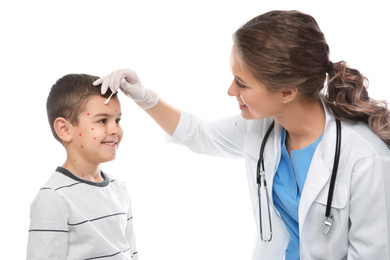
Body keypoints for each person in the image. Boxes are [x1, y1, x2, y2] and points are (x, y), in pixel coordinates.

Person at [94, 10, 390, 260]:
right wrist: (145, 97)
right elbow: (200, 134)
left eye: (242, 83)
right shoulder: (261, 129)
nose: (231, 91)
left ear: (287, 91)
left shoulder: (366, 158)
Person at [26, 74, 138, 259]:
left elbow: (132, 254)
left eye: (117, 120)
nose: (115, 130)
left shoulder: (119, 189)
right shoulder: (54, 197)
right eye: (103, 120)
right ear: (64, 129)